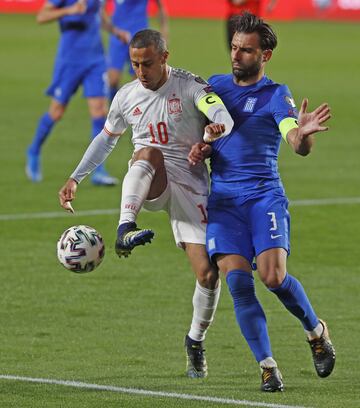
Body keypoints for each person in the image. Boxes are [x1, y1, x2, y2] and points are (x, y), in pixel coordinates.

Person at [58, 29, 234, 378]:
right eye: (135, 64)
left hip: (191, 184)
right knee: (148, 152)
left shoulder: (190, 86)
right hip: (151, 178)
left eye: (147, 63)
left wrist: (215, 131)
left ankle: (195, 341)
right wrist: (75, 177)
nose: (140, 71)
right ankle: (126, 227)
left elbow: (223, 116)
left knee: (209, 274)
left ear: (165, 57)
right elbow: (106, 139)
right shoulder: (125, 96)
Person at [188, 12, 335, 392]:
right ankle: (267, 365)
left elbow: (294, 140)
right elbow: (199, 136)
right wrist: (199, 148)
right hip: (223, 201)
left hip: (262, 198)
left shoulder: (275, 95)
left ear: (265, 55)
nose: (236, 55)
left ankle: (315, 331)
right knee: (238, 283)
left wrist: (303, 135)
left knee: (272, 277)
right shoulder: (215, 87)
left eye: (246, 50)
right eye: (234, 48)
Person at [26, 0, 129, 186]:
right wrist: (70, 10)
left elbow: (100, 16)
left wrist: (115, 31)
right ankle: (34, 150)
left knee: (99, 112)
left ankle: (99, 171)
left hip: (96, 60)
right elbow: (41, 16)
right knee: (56, 112)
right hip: (70, 61)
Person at [107, 0, 168, 102]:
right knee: (112, 80)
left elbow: (160, 5)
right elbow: (101, 8)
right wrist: (113, 29)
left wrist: (164, 32)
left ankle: (136, 112)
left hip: (140, 38)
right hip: (118, 38)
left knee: (138, 81)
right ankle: (115, 111)